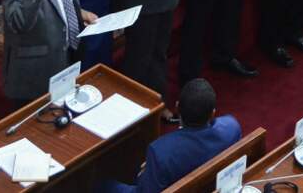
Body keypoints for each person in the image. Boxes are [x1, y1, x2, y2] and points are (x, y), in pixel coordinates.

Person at [101, 78, 242, 193]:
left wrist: (145, 175)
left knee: (103, 185)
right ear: (213, 113)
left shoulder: (161, 152)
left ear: (177, 106)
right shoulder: (231, 127)